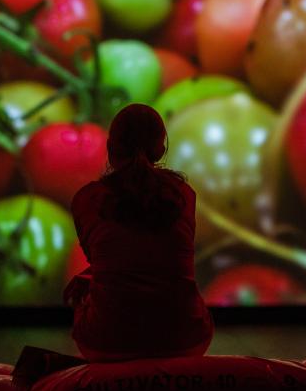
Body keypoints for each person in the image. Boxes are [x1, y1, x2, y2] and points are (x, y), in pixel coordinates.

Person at [65, 103, 213, 362]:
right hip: (185, 343)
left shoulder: (86, 200)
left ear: (110, 149)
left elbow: (110, 258)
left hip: (105, 346)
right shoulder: (184, 196)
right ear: (161, 149)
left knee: (84, 295)